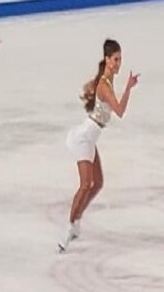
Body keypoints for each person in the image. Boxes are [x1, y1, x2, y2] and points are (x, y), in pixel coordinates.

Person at [58, 39, 139, 252]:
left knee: (98, 183)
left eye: (120, 59)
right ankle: (69, 228)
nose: (118, 63)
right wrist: (129, 87)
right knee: (86, 184)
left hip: (90, 137)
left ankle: (76, 220)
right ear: (107, 59)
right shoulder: (104, 85)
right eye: (115, 59)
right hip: (84, 138)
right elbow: (119, 111)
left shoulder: (105, 80)